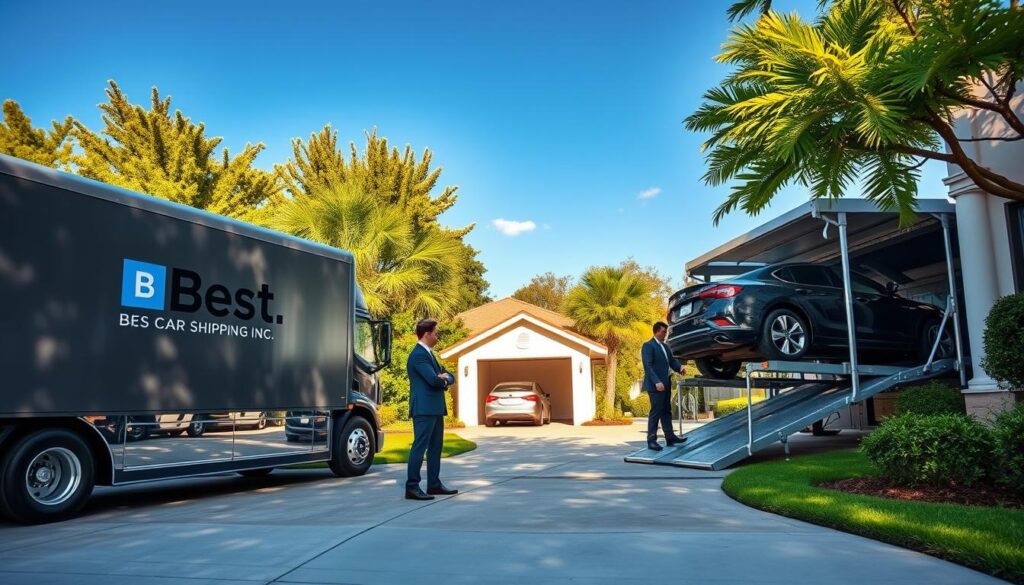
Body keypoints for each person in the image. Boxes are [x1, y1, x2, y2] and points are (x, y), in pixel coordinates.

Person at [405, 318, 459, 500]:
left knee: (436, 448)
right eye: (436, 333)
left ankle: (434, 484)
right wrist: (442, 378)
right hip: (424, 409)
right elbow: (433, 380)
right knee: (419, 448)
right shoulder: (418, 355)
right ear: (427, 334)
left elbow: (451, 376)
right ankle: (412, 487)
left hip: (435, 409)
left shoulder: (429, 355)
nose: (438, 337)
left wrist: (445, 377)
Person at [641, 321, 688, 451]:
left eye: (666, 332)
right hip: (656, 385)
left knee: (667, 411)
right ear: (656, 331)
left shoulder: (665, 347)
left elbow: (672, 361)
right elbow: (648, 366)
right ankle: (651, 441)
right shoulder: (648, 346)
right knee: (656, 412)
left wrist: (680, 368)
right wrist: (657, 382)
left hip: (666, 383)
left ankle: (670, 437)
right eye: (663, 332)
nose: (665, 334)